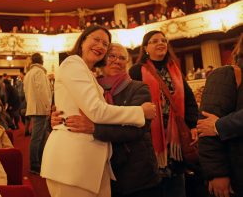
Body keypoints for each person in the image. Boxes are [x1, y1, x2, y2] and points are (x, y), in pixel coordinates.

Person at [41, 25, 156, 197]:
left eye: (105, 43)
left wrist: (93, 128)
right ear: (82, 41)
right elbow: (95, 110)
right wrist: (139, 112)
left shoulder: (134, 87)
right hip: (75, 164)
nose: (101, 46)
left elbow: (137, 129)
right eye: (96, 40)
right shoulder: (74, 64)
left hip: (123, 168)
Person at [129, 30, 198, 197]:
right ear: (145, 48)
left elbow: (189, 100)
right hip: (150, 137)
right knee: (154, 187)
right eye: (154, 41)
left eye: (163, 40)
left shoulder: (174, 70)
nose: (160, 43)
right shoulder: (136, 71)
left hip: (175, 139)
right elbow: (130, 101)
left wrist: (193, 125)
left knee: (177, 187)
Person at [197, 33, 243, 197]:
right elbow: (206, 127)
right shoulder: (226, 74)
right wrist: (217, 173)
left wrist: (219, 125)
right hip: (236, 173)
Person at [24, 53, 52, 174]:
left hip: (33, 107)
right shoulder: (39, 72)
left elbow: (26, 93)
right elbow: (43, 91)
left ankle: (40, 162)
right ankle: (35, 164)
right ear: (42, 61)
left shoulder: (29, 74)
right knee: (37, 138)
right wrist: (48, 107)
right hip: (40, 109)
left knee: (40, 137)